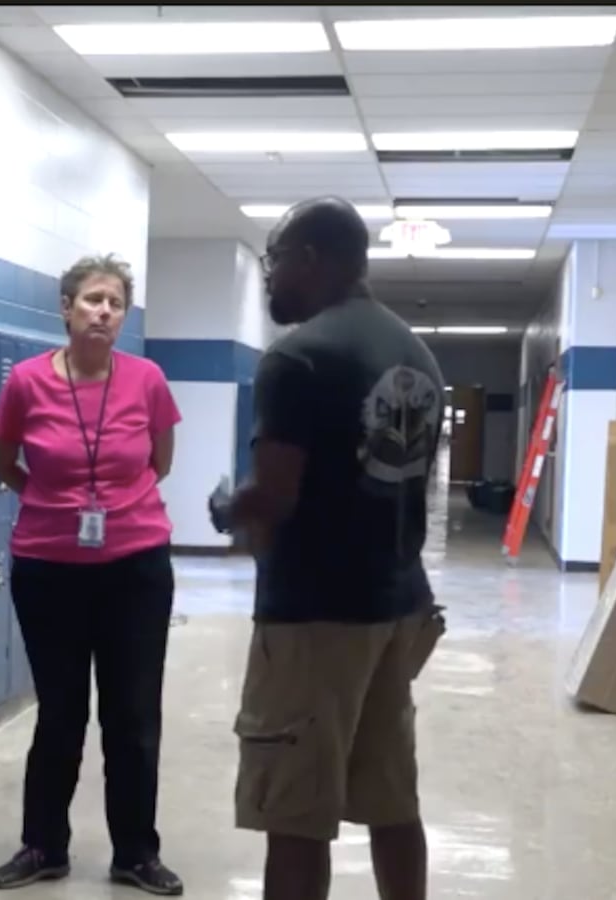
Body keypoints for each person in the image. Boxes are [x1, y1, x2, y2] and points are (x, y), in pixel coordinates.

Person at [209, 197, 445, 900]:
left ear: (310, 258)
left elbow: (274, 496)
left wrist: (227, 505)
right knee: (392, 800)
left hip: (315, 617)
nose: (270, 278)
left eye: (274, 261)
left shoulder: (299, 357)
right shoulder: (415, 351)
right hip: (396, 607)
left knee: (296, 813)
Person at [0, 254, 184, 896]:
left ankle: (136, 852)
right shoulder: (26, 382)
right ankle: (43, 845)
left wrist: (117, 510)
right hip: (48, 568)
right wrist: (54, 505)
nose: (104, 311)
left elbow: (159, 461)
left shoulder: (147, 379)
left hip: (135, 567)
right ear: (66, 308)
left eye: (116, 302)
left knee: (131, 713)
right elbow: (3, 460)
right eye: (93, 299)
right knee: (61, 712)